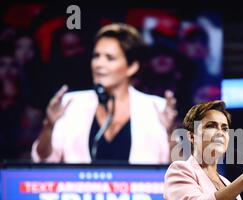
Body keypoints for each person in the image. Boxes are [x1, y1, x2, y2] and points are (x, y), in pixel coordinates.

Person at [31, 23, 177, 164]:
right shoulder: (71, 104)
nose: (99, 64)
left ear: (132, 67)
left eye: (110, 58)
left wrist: (171, 132)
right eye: (96, 56)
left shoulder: (156, 108)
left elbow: (183, 169)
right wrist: (49, 126)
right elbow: (42, 159)